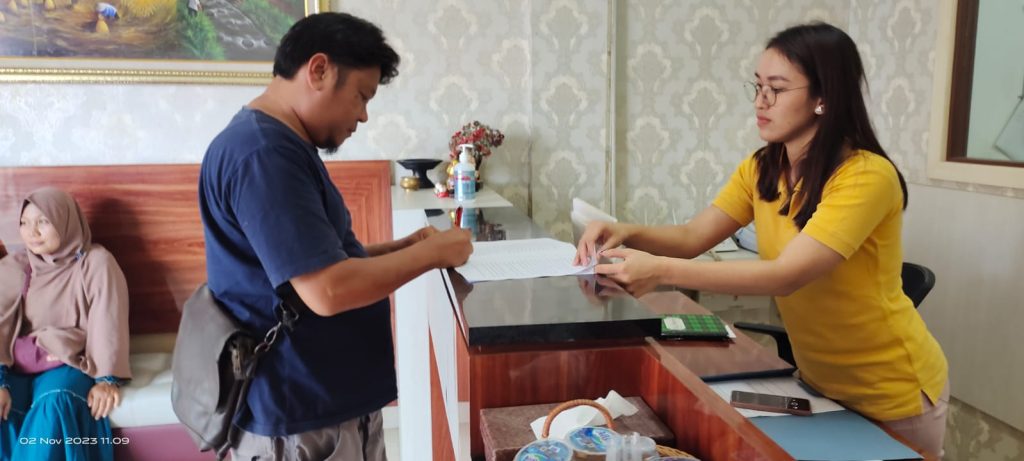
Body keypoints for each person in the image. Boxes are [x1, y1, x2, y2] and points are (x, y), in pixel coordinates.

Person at [574, 22, 948, 458]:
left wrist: (659, 271)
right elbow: (692, 236)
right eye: (757, 86)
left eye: (777, 89)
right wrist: (627, 231)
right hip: (821, 386)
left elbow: (787, 275)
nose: (760, 101)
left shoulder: (866, 176)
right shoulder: (762, 168)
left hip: (892, 391)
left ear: (824, 97)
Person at [198, 12, 473, 461]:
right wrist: (434, 255)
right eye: (361, 96)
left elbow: (317, 262)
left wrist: (404, 248)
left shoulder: (278, 144)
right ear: (319, 70)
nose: (363, 115)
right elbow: (326, 290)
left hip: (320, 403)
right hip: (300, 417)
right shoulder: (263, 154)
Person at [0, 187, 131, 461]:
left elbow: (108, 320)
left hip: (71, 362)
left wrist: (106, 379)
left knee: (54, 403)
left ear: (65, 220)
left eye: (42, 222)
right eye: (24, 223)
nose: (32, 232)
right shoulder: (17, 266)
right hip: (21, 366)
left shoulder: (95, 263)